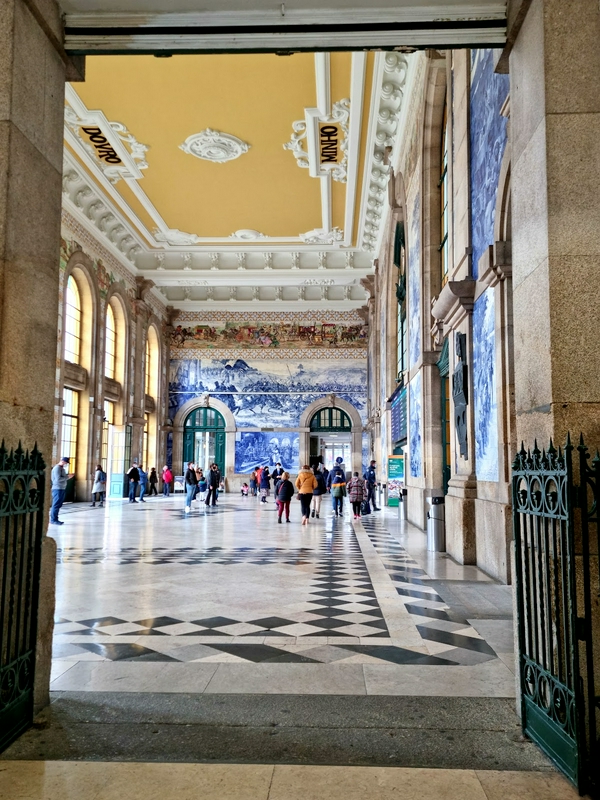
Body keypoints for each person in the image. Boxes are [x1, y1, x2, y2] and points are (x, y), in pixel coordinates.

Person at [50, 456, 71, 525]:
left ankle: (56, 518)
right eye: (66, 463)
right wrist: (68, 477)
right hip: (57, 488)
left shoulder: (62, 469)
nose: (66, 464)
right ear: (63, 461)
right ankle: (53, 520)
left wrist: (66, 477)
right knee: (56, 504)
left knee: (58, 504)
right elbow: (58, 479)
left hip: (61, 488)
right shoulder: (57, 468)